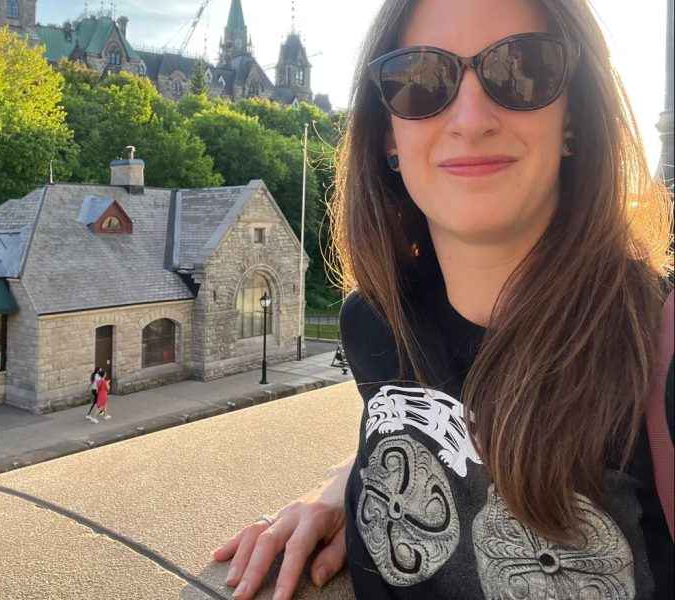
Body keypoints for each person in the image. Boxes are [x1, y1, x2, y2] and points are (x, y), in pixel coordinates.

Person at [212, 0, 674, 599]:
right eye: (421, 81)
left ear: (574, 119)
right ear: (389, 136)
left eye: (524, 69)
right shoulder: (376, 326)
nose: (471, 118)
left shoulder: (657, 355)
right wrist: (346, 487)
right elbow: (450, 422)